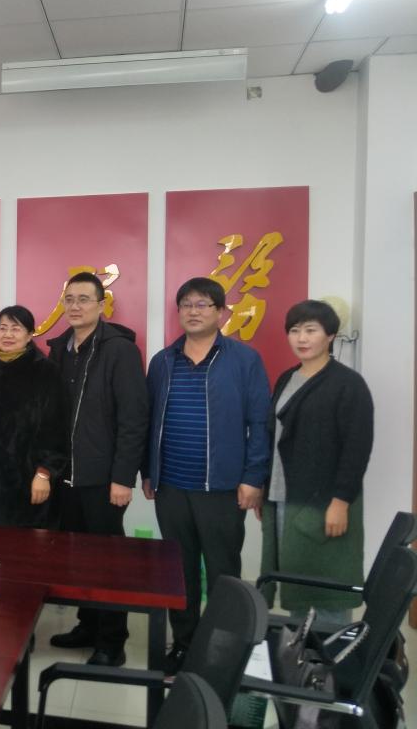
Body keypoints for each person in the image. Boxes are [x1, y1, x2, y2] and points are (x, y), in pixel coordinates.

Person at [143, 277, 270, 673]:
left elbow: (260, 423)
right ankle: (184, 645)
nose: (193, 311)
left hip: (222, 487)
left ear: (221, 312)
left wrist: (253, 477)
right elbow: (149, 421)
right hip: (171, 486)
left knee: (222, 572)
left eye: (202, 304)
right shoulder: (163, 361)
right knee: (179, 573)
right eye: (186, 304)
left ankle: (219, 651)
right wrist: (149, 471)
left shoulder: (244, 360)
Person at [46, 272, 150, 667]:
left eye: (84, 299)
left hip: (104, 479)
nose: (75, 306)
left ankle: (112, 640)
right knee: (77, 558)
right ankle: (87, 625)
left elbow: (133, 418)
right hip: (66, 477)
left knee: (108, 563)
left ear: (102, 305)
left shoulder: (120, 350)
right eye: (69, 299)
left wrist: (123, 477)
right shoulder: (60, 350)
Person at [259, 300, 373, 625]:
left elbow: (357, 448)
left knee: (326, 586)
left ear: (330, 335)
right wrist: (266, 488)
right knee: (296, 581)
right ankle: (301, 652)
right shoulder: (287, 378)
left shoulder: (348, 384)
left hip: (325, 501)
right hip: (284, 496)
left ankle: (330, 653)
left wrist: (341, 501)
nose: (302, 338)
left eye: (311, 330)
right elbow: (274, 436)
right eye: (295, 331)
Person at [0, 305, 65, 529]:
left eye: (15, 329)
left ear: (30, 335)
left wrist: (44, 473)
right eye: (3, 328)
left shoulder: (45, 371)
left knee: (24, 544)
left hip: (27, 480)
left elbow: (55, 428)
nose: (7, 334)